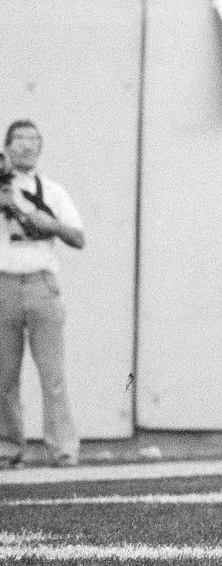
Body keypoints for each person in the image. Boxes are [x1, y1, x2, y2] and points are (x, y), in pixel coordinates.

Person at [0, 120, 85, 469]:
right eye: (20, 139)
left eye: (34, 139)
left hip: (42, 283)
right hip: (4, 280)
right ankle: (8, 449)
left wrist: (33, 215)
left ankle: (62, 450)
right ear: (7, 146)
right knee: (4, 376)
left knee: (52, 375)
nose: (27, 145)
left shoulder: (50, 191)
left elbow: (77, 237)